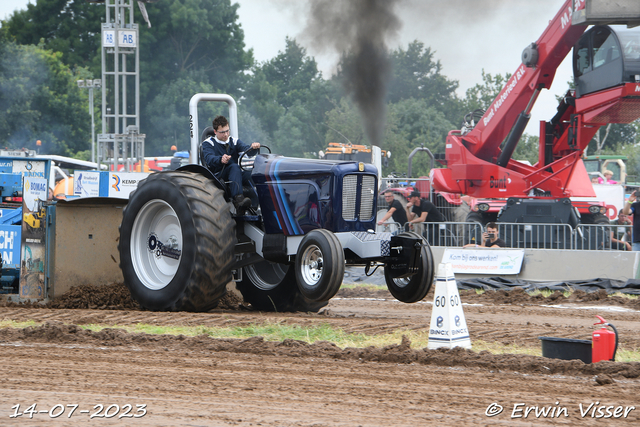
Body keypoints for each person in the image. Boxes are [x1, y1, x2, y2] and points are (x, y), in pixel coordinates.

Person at [202, 115, 260, 209]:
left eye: (227, 131)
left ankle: (256, 205)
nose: (226, 134)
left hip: (234, 174)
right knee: (234, 167)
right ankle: (238, 201)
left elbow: (247, 152)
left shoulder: (234, 141)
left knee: (251, 174)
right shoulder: (208, 143)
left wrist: (253, 148)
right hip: (219, 175)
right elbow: (209, 159)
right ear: (215, 132)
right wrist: (220, 159)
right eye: (222, 132)